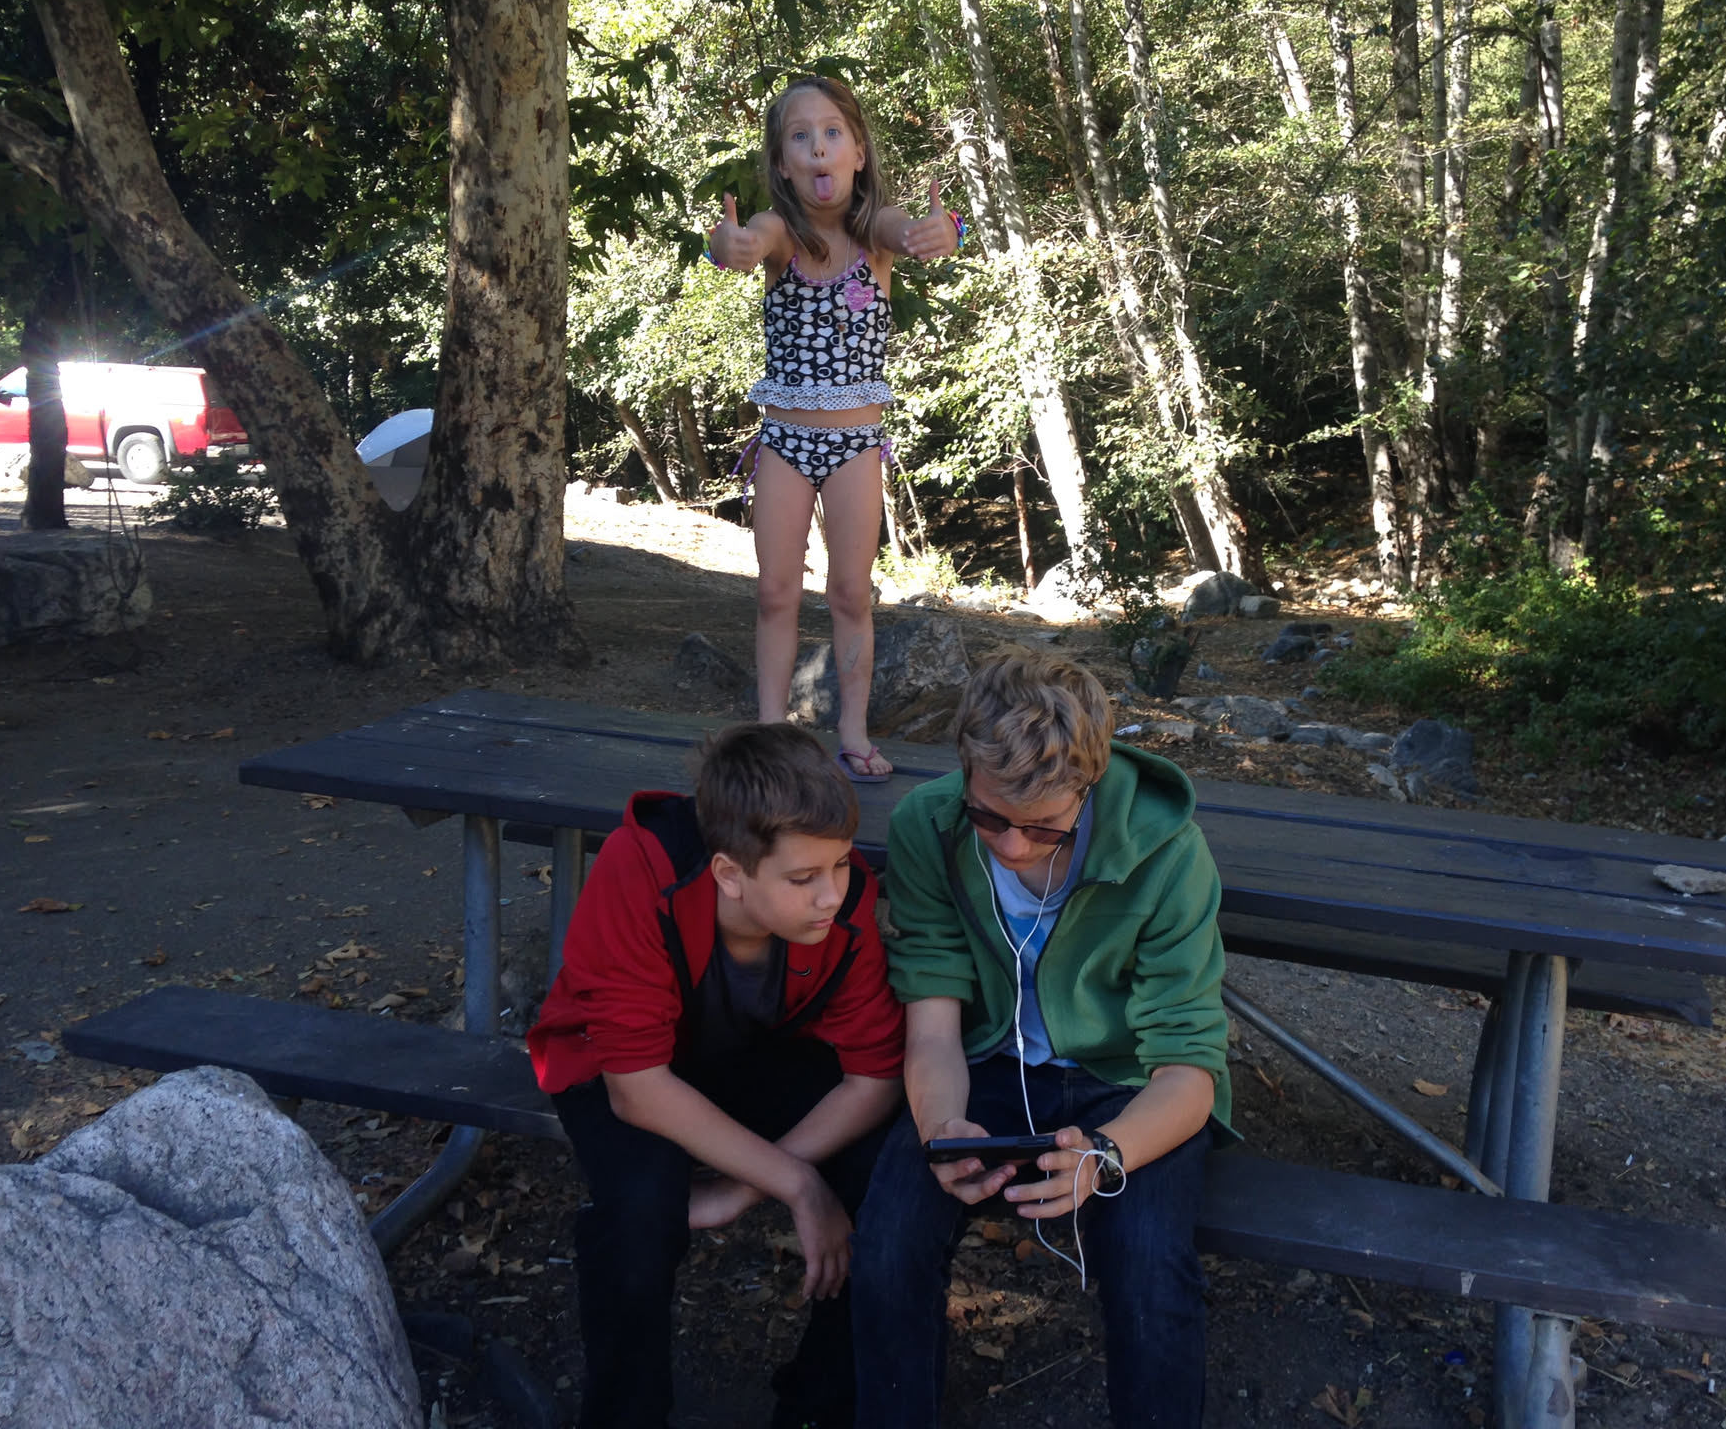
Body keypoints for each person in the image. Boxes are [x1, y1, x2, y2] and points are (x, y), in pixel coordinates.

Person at [851, 646, 1233, 1428]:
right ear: (963, 770)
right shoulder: (930, 824)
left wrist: (1106, 1155)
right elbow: (933, 1025)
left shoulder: (1168, 853)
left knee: (1148, 1265)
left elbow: (1187, 1070)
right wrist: (942, 1128)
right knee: (888, 1243)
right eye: (989, 817)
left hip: (1130, 1085)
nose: (1012, 847)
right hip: (985, 1067)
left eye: (1045, 829)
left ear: (1089, 785)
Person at [527, 723, 905, 1429]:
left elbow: (875, 1076)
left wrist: (747, 1185)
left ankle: (819, 1405)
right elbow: (637, 1088)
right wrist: (796, 1182)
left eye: (841, 864)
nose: (832, 895)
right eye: (804, 879)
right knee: (639, 1211)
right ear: (730, 873)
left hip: (755, 1052)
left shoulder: (843, 898)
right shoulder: (642, 870)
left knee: (887, 1173)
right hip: (619, 1065)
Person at [705, 75, 961, 785]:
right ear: (783, 164)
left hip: (855, 447)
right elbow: (738, 241)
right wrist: (726, 245)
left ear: (858, 152)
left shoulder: (875, 233)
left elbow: (910, 231)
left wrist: (944, 231)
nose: (818, 147)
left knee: (850, 592)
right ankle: (769, 732)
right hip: (785, 443)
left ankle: (852, 730)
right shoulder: (779, 233)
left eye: (832, 133)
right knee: (775, 592)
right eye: (800, 136)